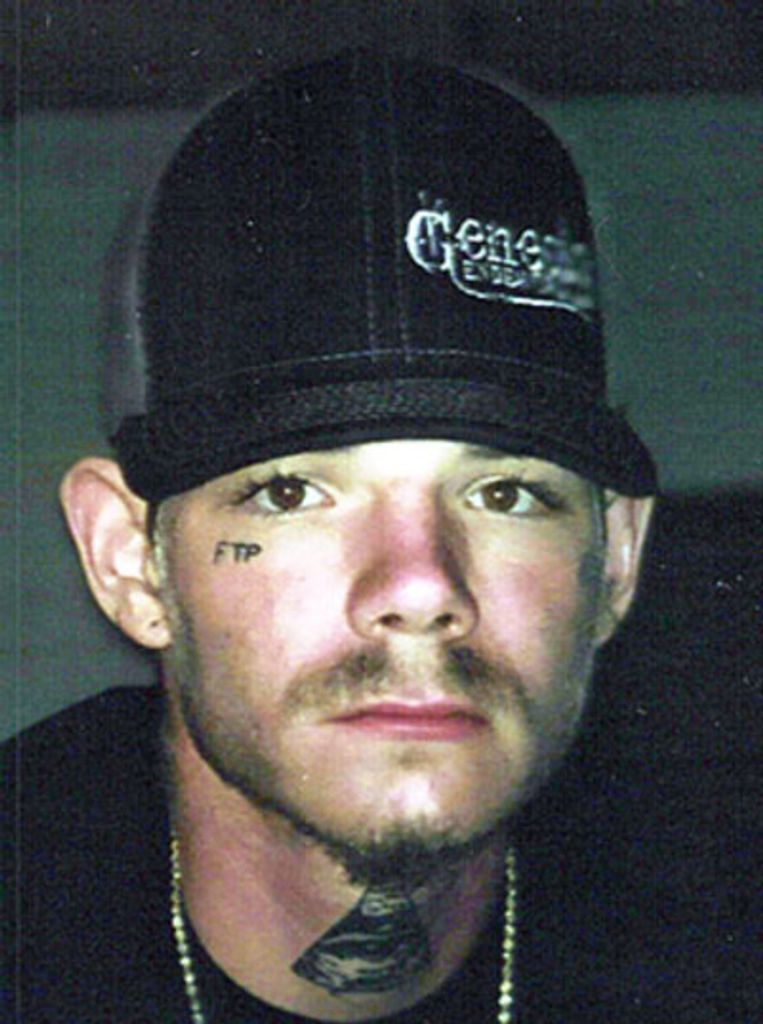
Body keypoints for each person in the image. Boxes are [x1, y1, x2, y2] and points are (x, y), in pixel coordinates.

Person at [3, 49, 658, 1023]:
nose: (421, 586)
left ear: (616, 559)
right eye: (290, 490)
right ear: (129, 561)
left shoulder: (708, 937)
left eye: (506, 493)